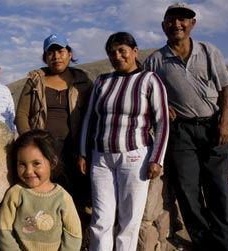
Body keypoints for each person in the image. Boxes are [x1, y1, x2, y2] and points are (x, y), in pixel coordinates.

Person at [143, 3, 228, 250]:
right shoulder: (155, 60)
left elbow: (226, 87)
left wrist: (224, 122)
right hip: (180, 133)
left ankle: (226, 243)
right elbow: (144, 93)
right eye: (171, 20)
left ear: (192, 24)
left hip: (212, 127)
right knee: (187, 191)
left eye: (182, 20)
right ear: (163, 26)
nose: (177, 24)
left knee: (218, 188)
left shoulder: (209, 51)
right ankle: (204, 242)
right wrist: (162, 106)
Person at [79, 32, 169, 251]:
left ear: (134, 51)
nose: (117, 56)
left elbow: (162, 121)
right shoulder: (102, 81)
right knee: (101, 219)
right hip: (101, 159)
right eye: (112, 53)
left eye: (122, 51)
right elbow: (89, 117)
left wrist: (157, 159)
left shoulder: (149, 80)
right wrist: (83, 152)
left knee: (129, 220)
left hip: (135, 156)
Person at [14, 34, 93, 230]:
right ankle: (46, 237)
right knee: (45, 196)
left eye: (60, 51)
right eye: (51, 52)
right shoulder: (35, 81)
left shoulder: (82, 82)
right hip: (44, 150)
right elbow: (22, 115)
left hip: (75, 149)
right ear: (45, 57)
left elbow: (93, 113)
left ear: (69, 54)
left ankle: (75, 237)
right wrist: (33, 145)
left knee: (75, 197)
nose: (56, 56)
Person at [0, 129, 82, 251]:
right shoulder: (16, 193)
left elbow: (73, 234)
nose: (28, 171)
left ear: (53, 163)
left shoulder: (62, 198)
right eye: (22, 164)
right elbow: (4, 229)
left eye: (36, 163)